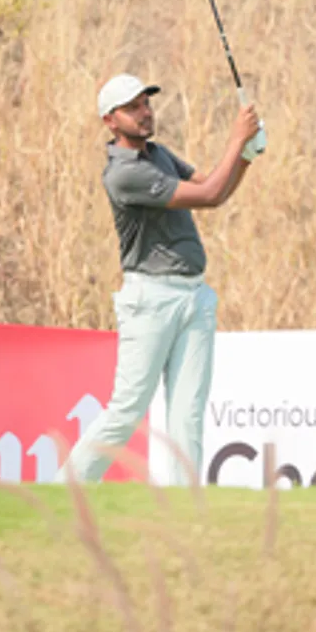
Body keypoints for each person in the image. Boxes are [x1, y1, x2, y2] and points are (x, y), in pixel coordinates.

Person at [57, 73, 265, 486]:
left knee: (187, 412)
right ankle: (65, 488)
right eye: (132, 107)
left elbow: (212, 188)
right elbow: (206, 197)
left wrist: (246, 155)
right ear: (109, 121)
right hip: (150, 299)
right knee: (128, 409)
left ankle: (184, 509)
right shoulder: (123, 174)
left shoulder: (159, 155)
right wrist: (236, 139)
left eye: (145, 103)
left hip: (193, 295)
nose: (145, 112)